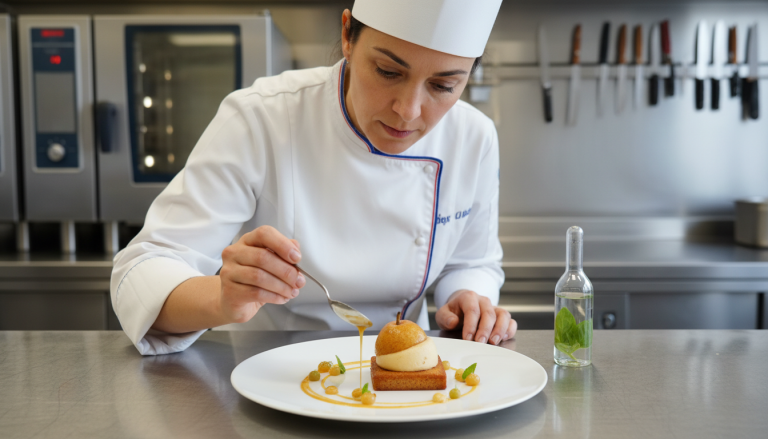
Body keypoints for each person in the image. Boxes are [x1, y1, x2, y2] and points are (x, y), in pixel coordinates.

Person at [111, 0, 516, 355]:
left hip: (402, 380)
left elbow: (471, 261)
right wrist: (221, 298)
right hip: (266, 378)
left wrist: (467, 299)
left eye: (443, 86)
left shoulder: (473, 137)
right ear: (347, 36)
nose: (408, 110)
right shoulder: (262, 118)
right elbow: (142, 271)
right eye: (388, 71)